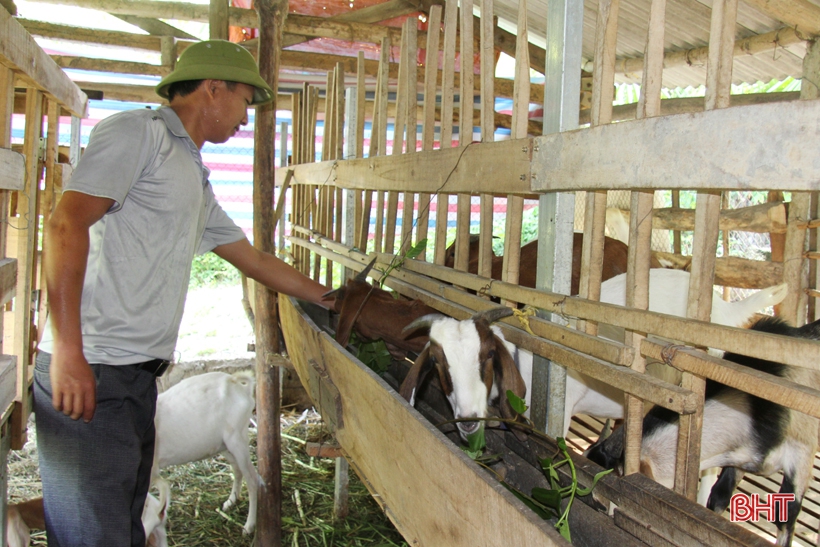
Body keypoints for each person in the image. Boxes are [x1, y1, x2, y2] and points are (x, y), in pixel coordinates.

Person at [35, 39, 331, 547]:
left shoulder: (192, 173)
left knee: (124, 525)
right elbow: (65, 225)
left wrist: (335, 299)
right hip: (91, 372)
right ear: (213, 89)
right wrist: (67, 350)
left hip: (136, 380)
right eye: (245, 100)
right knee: (92, 535)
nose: (248, 116)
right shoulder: (137, 135)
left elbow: (254, 260)